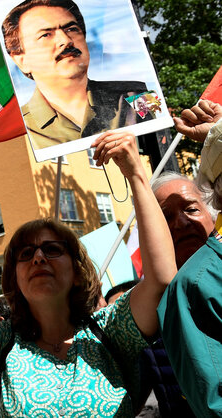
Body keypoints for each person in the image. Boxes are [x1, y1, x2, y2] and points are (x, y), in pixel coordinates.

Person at [0, 130, 176, 416]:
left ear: (77, 271)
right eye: (25, 254)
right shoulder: (1, 341)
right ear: (15, 279)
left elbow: (161, 278)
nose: (38, 257)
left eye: (52, 249)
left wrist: (136, 174)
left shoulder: (111, 330)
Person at [1, 0, 151, 148]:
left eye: (72, 29)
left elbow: (164, 129)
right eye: (46, 35)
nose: (65, 41)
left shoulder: (139, 93)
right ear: (22, 60)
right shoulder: (23, 128)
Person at [157, 99, 222, 416]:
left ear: (213, 207)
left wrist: (216, 136)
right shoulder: (189, 289)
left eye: (191, 209)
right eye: (164, 217)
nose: (180, 224)